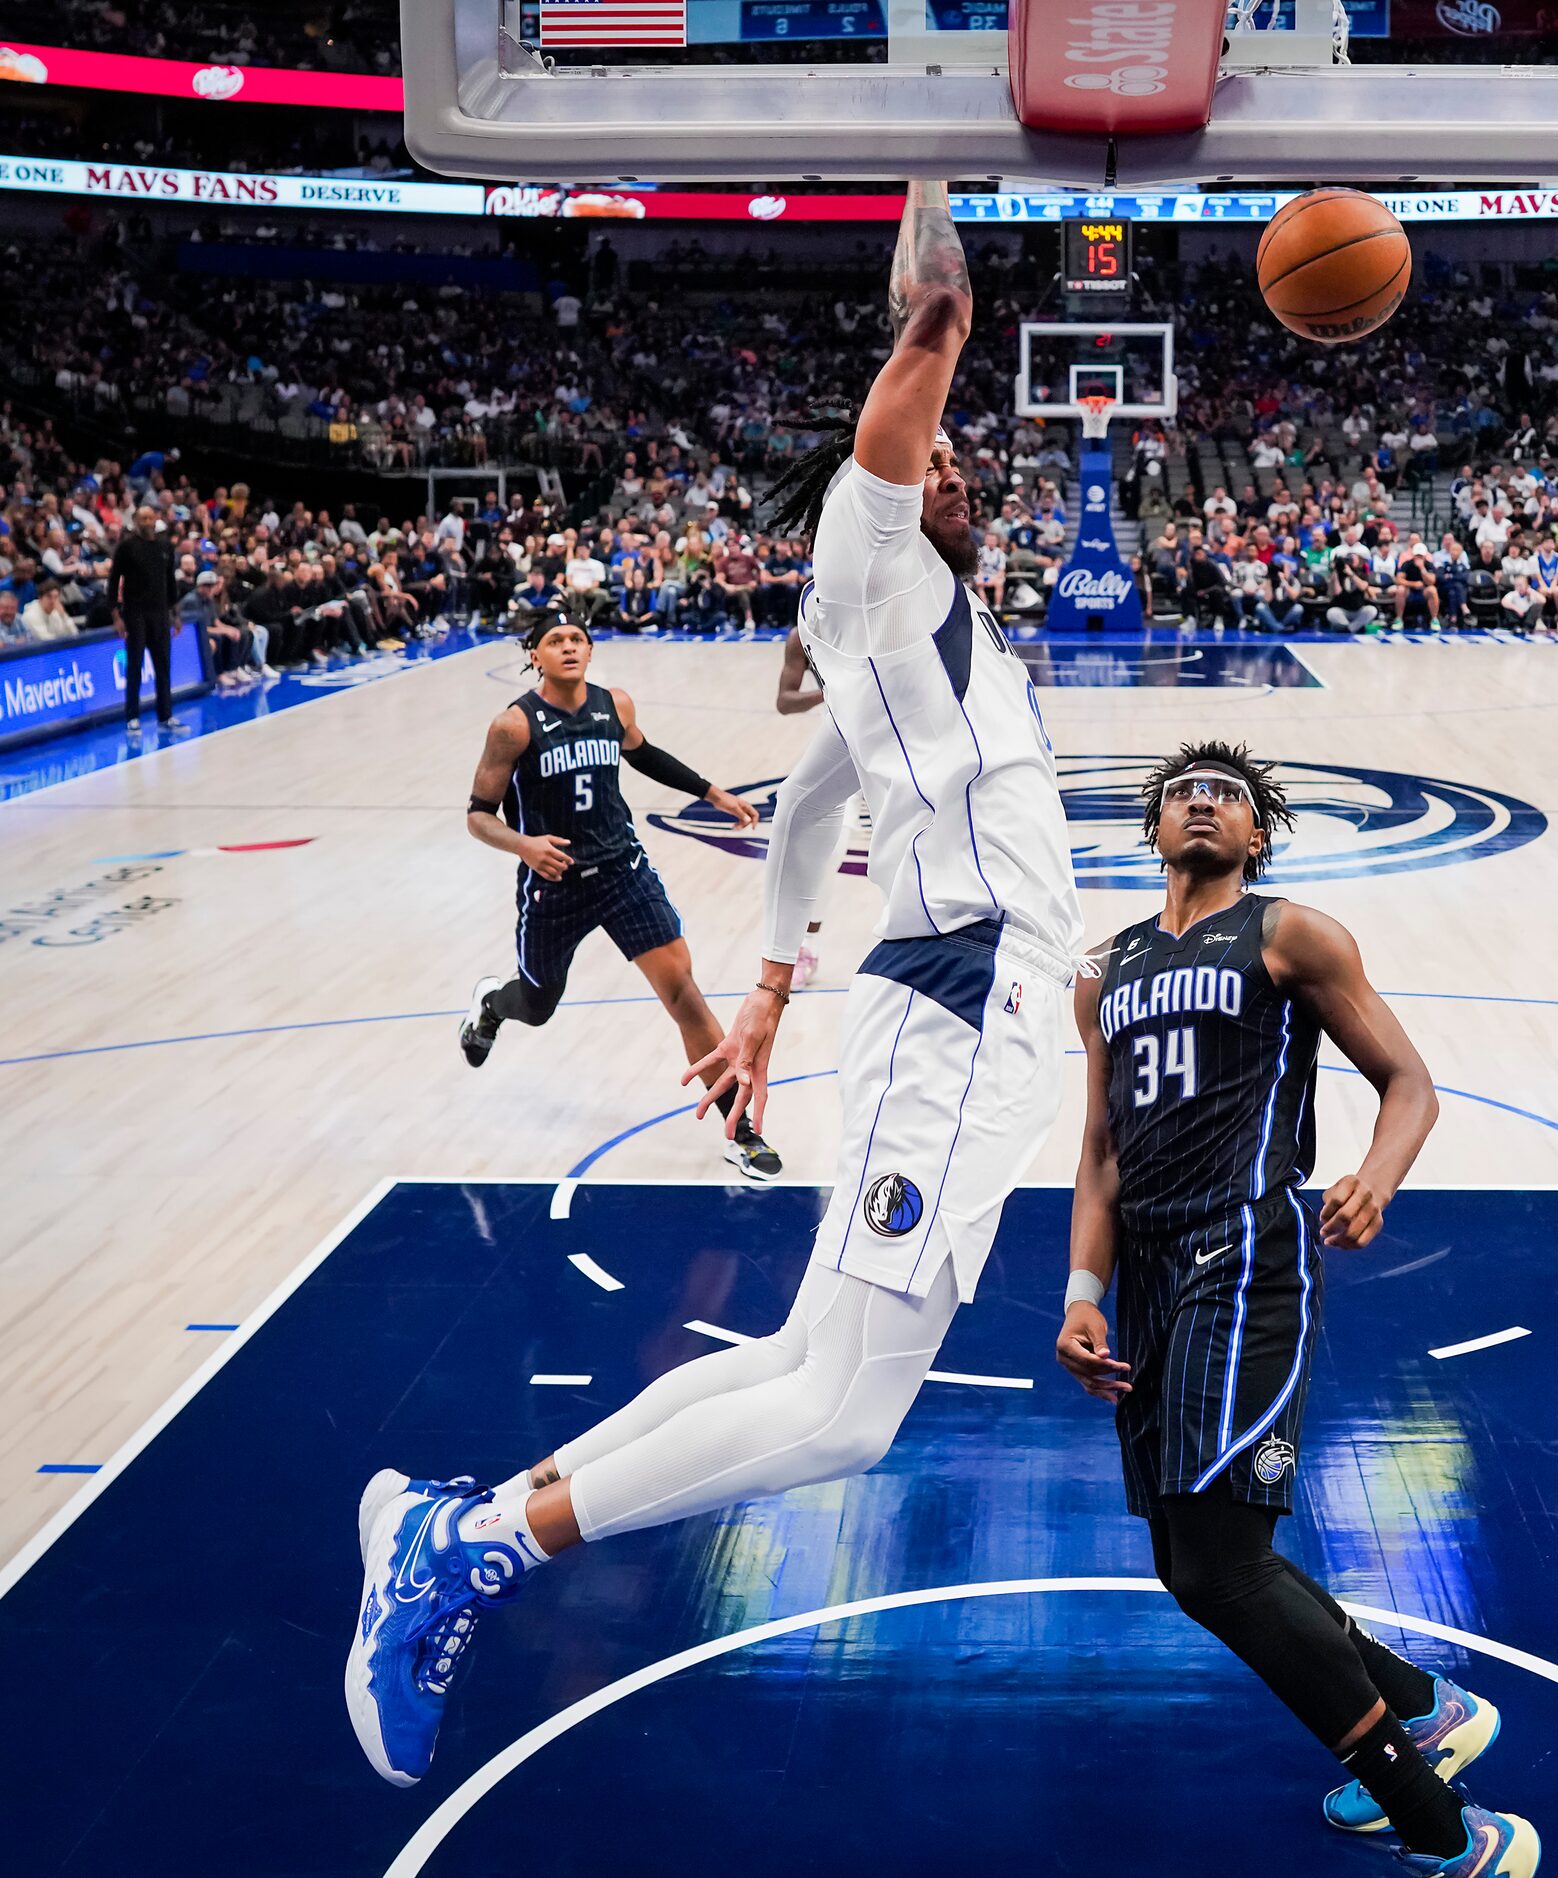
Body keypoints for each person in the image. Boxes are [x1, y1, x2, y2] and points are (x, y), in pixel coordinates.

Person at [348, 181, 1082, 1788]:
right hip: (965, 998)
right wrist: (941, 186)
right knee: (844, 1421)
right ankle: (480, 1549)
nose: (950, 457)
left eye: (959, 454)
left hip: (949, 1006)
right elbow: (935, 333)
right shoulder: (870, 555)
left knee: (801, 1368)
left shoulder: (926, 628)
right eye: (929, 449)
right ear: (873, 472)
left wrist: (760, 994)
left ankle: (462, 1515)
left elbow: (814, 801)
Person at [1057, 743, 1536, 1877]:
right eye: (1185, 793)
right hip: (1151, 1268)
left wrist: (1377, 1171)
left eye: (1227, 795)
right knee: (1188, 1566)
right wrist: (1083, 1290)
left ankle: (1447, 1834)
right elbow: (1098, 1150)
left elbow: (1410, 1082)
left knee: (1226, 1563)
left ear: (1258, 833)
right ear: (1155, 828)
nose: (1204, 803)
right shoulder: (1104, 969)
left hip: (1246, 1248)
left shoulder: (1290, 935)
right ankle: (1424, 1711)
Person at [451, 609, 781, 1184]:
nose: (569, 648)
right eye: (555, 642)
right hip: (553, 887)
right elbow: (479, 817)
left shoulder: (614, 704)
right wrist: (525, 846)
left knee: (684, 993)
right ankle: (490, 1005)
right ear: (535, 656)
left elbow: (644, 753)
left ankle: (739, 1131)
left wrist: (713, 792)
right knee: (536, 1005)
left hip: (623, 872)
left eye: (577, 638)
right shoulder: (514, 727)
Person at [774, 623, 838, 990]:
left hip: (894, 738)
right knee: (826, 849)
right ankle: (803, 946)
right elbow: (784, 701)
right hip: (840, 738)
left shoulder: (885, 613)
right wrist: (827, 694)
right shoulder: (804, 632)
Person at [109, 505, 180, 738]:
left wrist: (175, 612)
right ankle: (132, 717)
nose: (148, 521)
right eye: (143, 518)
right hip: (135, 614)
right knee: (134, 667)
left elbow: (170, 581)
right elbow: (113, 581)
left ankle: (165, 715)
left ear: (156, 519)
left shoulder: (165, 546)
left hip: (160, 614)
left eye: (151, 517)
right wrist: (116, 615)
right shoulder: (127, 547)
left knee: (164, 666)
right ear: (136, 521)